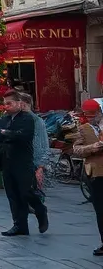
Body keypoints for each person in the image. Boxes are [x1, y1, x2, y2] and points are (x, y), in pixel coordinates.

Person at [0, 89, 48, 236]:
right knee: (13, 194)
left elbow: (25, 136)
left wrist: (7, 133)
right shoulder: (4, 118)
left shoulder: (29, 119)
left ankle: (40, 209)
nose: (6, 106)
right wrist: (8, 134)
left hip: (24, 162)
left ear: (21, 104)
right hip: (7, 160)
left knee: (26, 192)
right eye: (5, 104)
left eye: (9, 103)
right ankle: (20, 225)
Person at [73, 97, 103, 256]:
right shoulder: (84, 129)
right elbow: (76, 149)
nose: (90, 118)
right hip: (96, 173)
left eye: (93, 115)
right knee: (101, 210)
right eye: (87, 115)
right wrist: (93, 147)